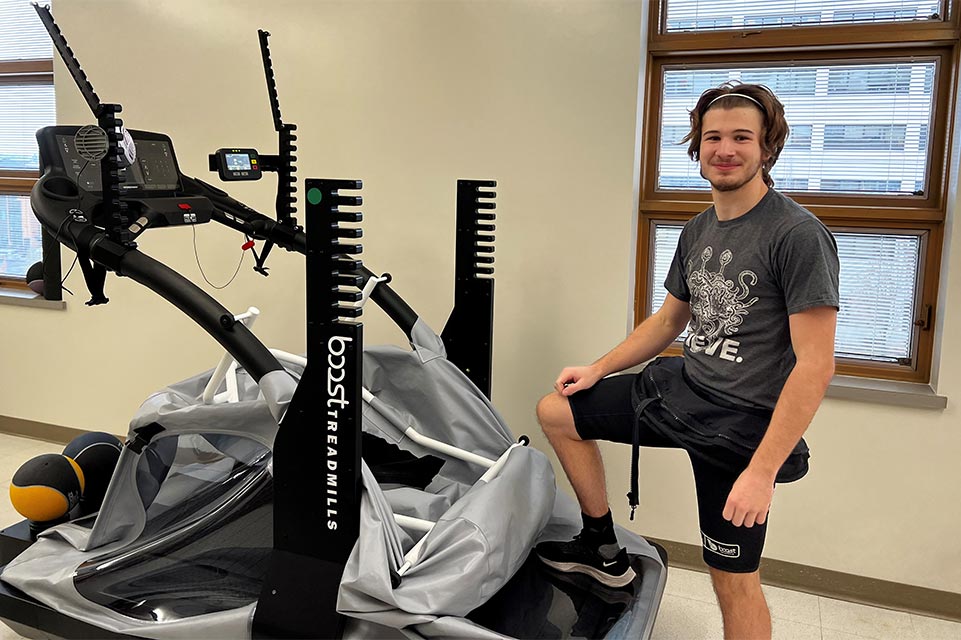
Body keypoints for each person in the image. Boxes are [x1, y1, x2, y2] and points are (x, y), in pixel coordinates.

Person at [534, 82, 839, 640]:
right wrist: (598, 369)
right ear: (696, 147)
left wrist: (762, 472)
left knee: (731, 578)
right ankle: (603, 547)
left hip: (739, 426)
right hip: (684, 393)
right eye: (712, 137)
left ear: (767, 147)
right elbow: (668, 322)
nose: (725, 149)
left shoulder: (797, 235)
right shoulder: (699, 227)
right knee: (558, 411)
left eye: (741, 137)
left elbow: (815, 365)